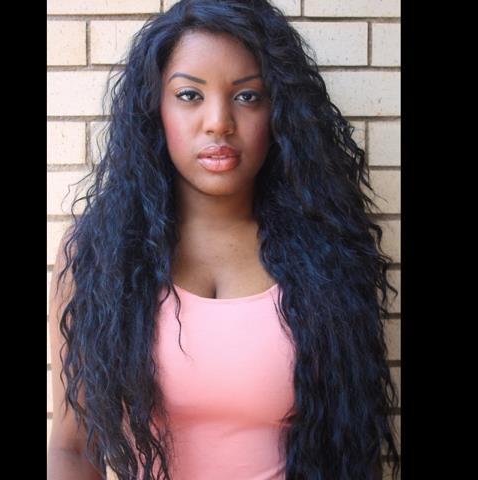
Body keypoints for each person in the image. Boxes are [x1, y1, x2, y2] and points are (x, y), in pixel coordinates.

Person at [47, 1, 400, 479]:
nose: (218, 121)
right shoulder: (97, 255)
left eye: (247, 96)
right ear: (155, 109)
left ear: (279, 112)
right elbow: (71, 451)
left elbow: (356, 447)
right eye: (189, 95)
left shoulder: (329, 252)